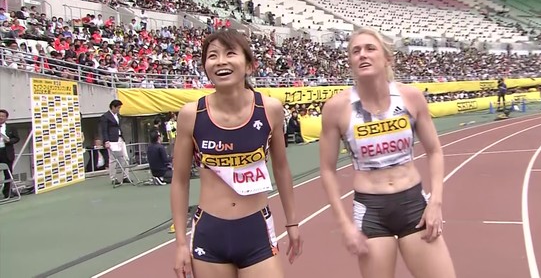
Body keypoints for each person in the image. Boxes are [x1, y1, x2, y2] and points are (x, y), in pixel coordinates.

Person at [319, 28, 456, 278]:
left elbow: (435, 150)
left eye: (370, 48)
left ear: (387, 58)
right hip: (371, 211)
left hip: (414, 205)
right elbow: (327, 170)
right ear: (350, 61)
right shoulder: (336, 108)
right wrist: (344, 224)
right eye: (355, 51)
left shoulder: (410, 97)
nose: (362, 55)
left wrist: (435, 202)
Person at [170, 29, 303, 278]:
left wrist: (292, 222)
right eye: (212, 56)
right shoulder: (191, 115)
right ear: (205, 67)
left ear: (250, 66)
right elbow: (179, 181)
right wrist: (179, 243)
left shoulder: (269, 109)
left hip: (255, 229)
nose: (221, 61)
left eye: (230, 53)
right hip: (210, 232)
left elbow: (282, 168)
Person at [98, 100, 131, 185]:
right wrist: (106, 141)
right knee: (113, 160)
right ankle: (113, 178)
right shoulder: (105, 117)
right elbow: (104, 130)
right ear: (113, 107)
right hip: (112, 140)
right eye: (118, 108)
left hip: (120, 138)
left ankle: (125, 176)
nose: (119, 109)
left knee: (125, 157)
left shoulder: (118, 116)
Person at [0, 109, 20, 198]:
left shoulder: (11, 128)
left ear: (6, 118)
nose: (0, 117)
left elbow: (17, 138)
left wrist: (9, 141)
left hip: (6, 152)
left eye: (2, 116)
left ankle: (7, 192)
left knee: (8, 173)